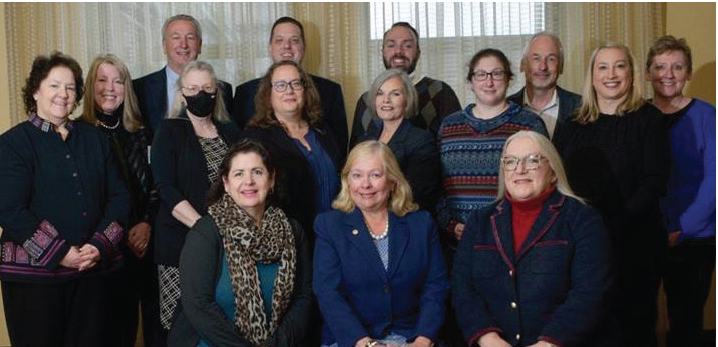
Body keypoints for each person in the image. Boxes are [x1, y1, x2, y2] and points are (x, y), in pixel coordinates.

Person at [0, 52, 128, 346]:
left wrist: (99, 246)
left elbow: (119, 198)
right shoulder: (12, 144)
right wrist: (60, 253)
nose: (63, 94)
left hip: (92, 273)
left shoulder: (96, 139)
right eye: (54, 85)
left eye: (70, 88)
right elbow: (9, 210)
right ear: (36, 90)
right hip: (34, 284)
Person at [452, 130, 615, 347]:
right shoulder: (480, 221)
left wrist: (548, 343)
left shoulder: (582, 219)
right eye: (510, 161)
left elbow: (590, 292)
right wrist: (488, 338)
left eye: (532, 160)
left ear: (553, 172)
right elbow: (463, 288)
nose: (520, 169)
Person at [553, 43, 669, 347]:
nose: (611, 74)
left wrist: (615, 224)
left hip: (636, 243)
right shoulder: (572, 124)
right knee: (589, 325)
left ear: (631, 73)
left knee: (635, 325)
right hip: (582, 246)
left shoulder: (650, 119)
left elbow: (655, 181)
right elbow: (559, 182)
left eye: (619, 66)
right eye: (602, 67)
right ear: (591, 76)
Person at [168, 139, 312, 347]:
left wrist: (278, 344)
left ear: (271, 180)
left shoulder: (293, 231)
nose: (249, 181)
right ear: (226, 184)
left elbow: (302, 297)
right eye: (239, 174)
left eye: (257, 172)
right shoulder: (207, 232)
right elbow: (198, 305)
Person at [313, 140, 449, 347]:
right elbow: (328, 293)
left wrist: (423, 340)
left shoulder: (421, 224)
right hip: (352, 339)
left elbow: (435, 287)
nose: (365, 184)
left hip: (411, 336)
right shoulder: (329, 226)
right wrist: (366, 344)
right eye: (357, 175)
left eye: (375, 175)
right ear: (347, 181)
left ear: (393, 181)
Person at [151, 60, 242, 338]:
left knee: (221, 318)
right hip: (180, 243)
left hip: (228, 243)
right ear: (181, 93)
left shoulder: (230, 131)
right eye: (192, 88)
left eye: (207, 88)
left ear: (216, 92)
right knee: (180, 324)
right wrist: (205, 229)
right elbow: (166, 188)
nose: (200, 94)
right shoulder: (168, 130)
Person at [81, 54, 160, 347]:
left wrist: (146, 224)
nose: (110, 88)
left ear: (127, 88)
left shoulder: (141, 133)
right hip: (101, 250)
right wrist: (115, 233)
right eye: (102, 80)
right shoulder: (78, 133)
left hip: (142, 246)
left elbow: (155, 184)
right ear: (90, 86)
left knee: (143, 328)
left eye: (118, 80)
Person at [438, 48, 548, 251]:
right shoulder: (448, 127)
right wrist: (450, 225)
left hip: (514, 242)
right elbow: (436, 186)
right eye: (481, 75)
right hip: (459, 244)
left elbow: (543, 185)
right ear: (471, 82)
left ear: (509, 79)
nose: (489, 82)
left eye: (497, 74)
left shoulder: (530, 125)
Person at [645, 36, 716, 347]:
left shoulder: (707, 116)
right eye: (660, 67)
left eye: (677, 67)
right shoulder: (636, 116)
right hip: (645, 234)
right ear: (648, 73)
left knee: (685, 322)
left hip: (695, 237)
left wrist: (682, 228)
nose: (668, 74)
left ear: (688, 73)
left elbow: (714, 182)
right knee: (641, 316)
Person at [245, 60, 342, 240]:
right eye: (280, 85)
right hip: (291, 238)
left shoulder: (322, 130)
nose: (289, 90)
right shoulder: (256, 137)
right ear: (269, 94)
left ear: (305, 90)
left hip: (334, 233)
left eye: (295, 83)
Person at [232, 16, 348, 154]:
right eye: (279, 40)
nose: (286, 46)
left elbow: (340, 147)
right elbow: (239, 150)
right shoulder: (244, 92)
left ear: (303, 48)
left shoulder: (330, 91)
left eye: (294, 40)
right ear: (270, 47)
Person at [350, 22, 461, 146]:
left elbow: (455, 148)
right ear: (382, 52)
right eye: (391, 45)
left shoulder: (441, 92)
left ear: (418, 53)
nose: (398, 51)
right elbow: (354, 153)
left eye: (407, 46)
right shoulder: (366, 100)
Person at [353, 69, 440, 213]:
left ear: (407, 100)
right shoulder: (365, 140)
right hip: (366, 219)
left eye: (395, 94)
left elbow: (420, 197)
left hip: (403, 220)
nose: (386, 100)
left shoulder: (421, 141)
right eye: (380, 93)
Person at [134, 14, 233, 133]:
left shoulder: (222, 90)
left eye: (190, 38)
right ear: (164, 46)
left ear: (200, 45)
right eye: (176, 38)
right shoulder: (139, 89)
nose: (184, 45)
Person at [507, 32, 582, 139]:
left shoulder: (582, 108)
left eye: (551, 59)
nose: (543, 67)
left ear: (561, 66)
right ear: (523, 64)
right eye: (536, 58)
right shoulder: (506, 108)